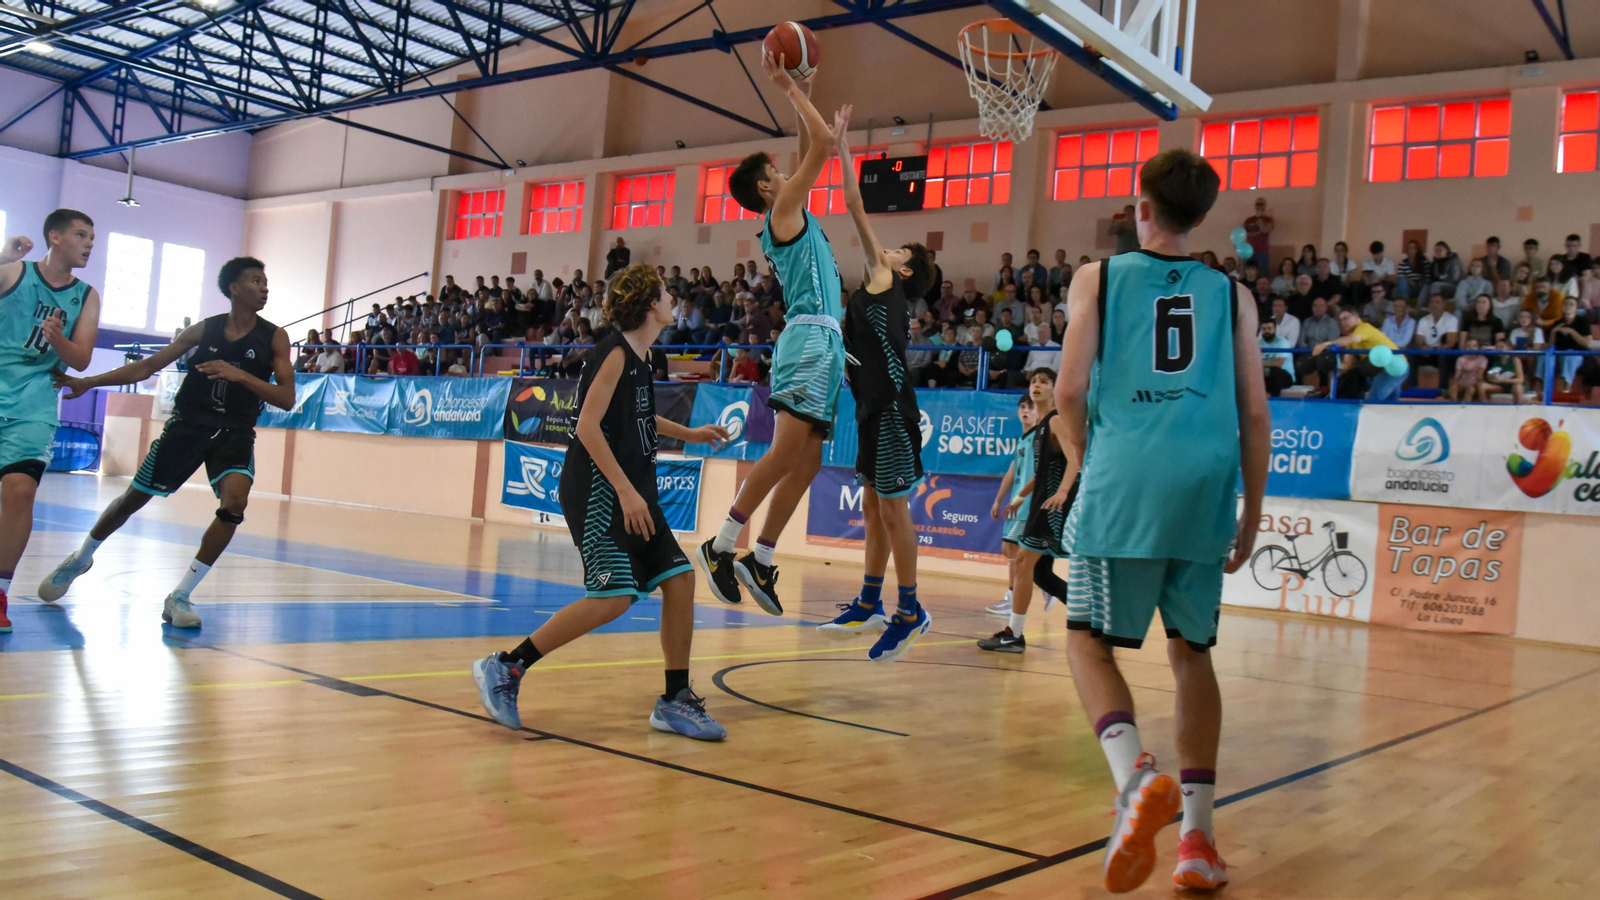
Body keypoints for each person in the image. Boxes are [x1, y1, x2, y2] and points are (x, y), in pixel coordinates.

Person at [1055, 148, 1268, 895]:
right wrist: (1254, 508)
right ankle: (1198, 844)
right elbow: (1254, 412)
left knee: (1085, 644)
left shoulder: (1099, 279)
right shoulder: (1233, 294)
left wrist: (1080, 450)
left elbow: (1070, 388)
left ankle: (1134, 776)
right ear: (1202, 215)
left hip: (1128, 476)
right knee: (1192, 656)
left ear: (1139, 205)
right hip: (1206, 485)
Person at [469, 265, 732, 739]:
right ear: (652, 305)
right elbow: (587, 428)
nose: (673, 299)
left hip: (633, 489)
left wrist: (689, 433)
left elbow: (640, 417)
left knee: (680, 579)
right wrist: (627, 492)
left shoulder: (644, 358)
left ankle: (675, 699)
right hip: (599, 490)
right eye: (667, 294)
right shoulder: (611, 353)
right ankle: (506, 667)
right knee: (613, 597)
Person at [42, 258, 293, 629]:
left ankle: (180, 595)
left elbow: (286, 398)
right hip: (187, 428)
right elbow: (146, 367)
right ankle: (82, 556)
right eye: (256, 281)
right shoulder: (203, 332)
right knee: (132, 500)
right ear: (235, 289)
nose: (265, 287)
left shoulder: (274, 336)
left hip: (235, 432)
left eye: (266, 281)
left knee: (235, 502)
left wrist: (239, 375)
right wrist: (89, 382)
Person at [696, 50, 844, 616]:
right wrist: (786, 87)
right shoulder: (782, 211)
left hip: (827, 344)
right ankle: (722, 544)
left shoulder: (787, 207)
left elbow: (813, 147)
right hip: (808, 339)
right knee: (786, 451)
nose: (788, 174)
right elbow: (824, 146)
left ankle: (760, 556)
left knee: (807, 461)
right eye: (778, 174)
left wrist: (808, 83)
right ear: (766, 188)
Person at [814, 109, 936, 661]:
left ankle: (910, 609)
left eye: (897, 252)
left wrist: (842, 148)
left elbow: (855, 205)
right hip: (868, 407)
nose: (885, 251)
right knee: (870, 508)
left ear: (904, 270)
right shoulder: (876, 289)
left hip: (890, 408)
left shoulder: (883, 279)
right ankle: (869, 599)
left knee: (892, 509)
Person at [0, 211, 101, 633]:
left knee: (20, 492)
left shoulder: (86, 295)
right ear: (54, 237)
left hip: (35, 406)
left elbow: (80, 359)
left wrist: (58, 338)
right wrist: (3, 255)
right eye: (81, 235)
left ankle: (0, 593)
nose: (89, 243)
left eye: (92, 237)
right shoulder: (13, 273)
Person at [977, 368, 1070, 654]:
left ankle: (1014, 634)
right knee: (1040, 574)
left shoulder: (1057, 422)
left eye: (1044, 381)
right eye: (1034, 381)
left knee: (1022, 563)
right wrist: (1019, 497)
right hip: (1038, 503)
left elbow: (1076, 459)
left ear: (1055, 389)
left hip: (1051, 508)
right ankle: (1091, 616)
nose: (1037, 386)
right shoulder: (1040, 426)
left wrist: (1063, 492)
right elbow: (1039, 473)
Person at [986, 396, 1041, 617]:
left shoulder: (1039, 438)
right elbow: (1012, 470)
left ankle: (1013, 597)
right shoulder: (1022, 439)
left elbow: (1040, 473)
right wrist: (999, 498)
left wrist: (1020, 499)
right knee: (1010, 549)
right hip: (1017, 504)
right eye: (1022, 407)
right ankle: (1021, 593)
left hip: (1027, 506)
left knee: (1014, 550)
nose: (1025, 411)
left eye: (1031, 407)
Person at [1313, 307, 1403, 401]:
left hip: (1394, 364)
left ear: (1356, 317)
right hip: (1380, 369)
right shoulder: (1351, 338)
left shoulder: (1364, 328)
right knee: (1390, 402)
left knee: (1374, 401)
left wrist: (1325, 344)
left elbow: (1351, 340)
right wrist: (1332, 364)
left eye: (1346, 318)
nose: (1343, 322)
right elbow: (1346, 364)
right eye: (1341, 320)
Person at [1549, 297, 1594, 388]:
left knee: (1570, 355)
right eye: (1566, 304)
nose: (1568, 306)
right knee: (1544, 357)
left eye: (1571, 304)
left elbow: (1587, 343)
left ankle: (1566, 389)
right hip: (1559, 355)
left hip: (1578, 356)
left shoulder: (1582, 321)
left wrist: (1571, 331)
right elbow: (1551, 346)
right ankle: (1541, 390)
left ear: (1576, 308)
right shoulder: (1557, 323)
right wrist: (1553, 332)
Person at [1446, 336, 1490, 402]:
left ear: (1478, 348)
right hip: (1462, 382)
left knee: (1471, 389)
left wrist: (1473, 384)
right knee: (1453, 388)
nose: (1471, 348)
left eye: (1474, 346)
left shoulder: (1483, 359)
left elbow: (1479, 376)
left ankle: (1466, 407)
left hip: (1475, 383)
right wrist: (1453, 383)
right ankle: (1454, 406)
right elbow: (1457, 375)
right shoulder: (1460, 359)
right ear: (1465, 347)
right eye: (1468, 346)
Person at [1259, 317, 1295, 396]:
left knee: (1275, 370)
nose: (1267, 331)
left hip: (1284, 377)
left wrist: (1260, 364)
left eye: (1269, 328)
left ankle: (1274, 396)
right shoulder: (1258, 343)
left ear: (1275, 329)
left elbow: (1278, 363)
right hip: (1266, 376)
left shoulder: (1283, 342)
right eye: (1264, 329)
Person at [1243, 197, 1273, 272]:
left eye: (1261, 204)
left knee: (1262, 274)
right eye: (1257, 204)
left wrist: (1259, 218)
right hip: (1249, 252)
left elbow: (1265, 230)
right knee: (1248, 274)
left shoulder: (1268, 219)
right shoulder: (1248, 220)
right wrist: (1258, 232)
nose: (1259, 206)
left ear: (1264, 206)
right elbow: (1245, 234)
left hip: (1262, 252)